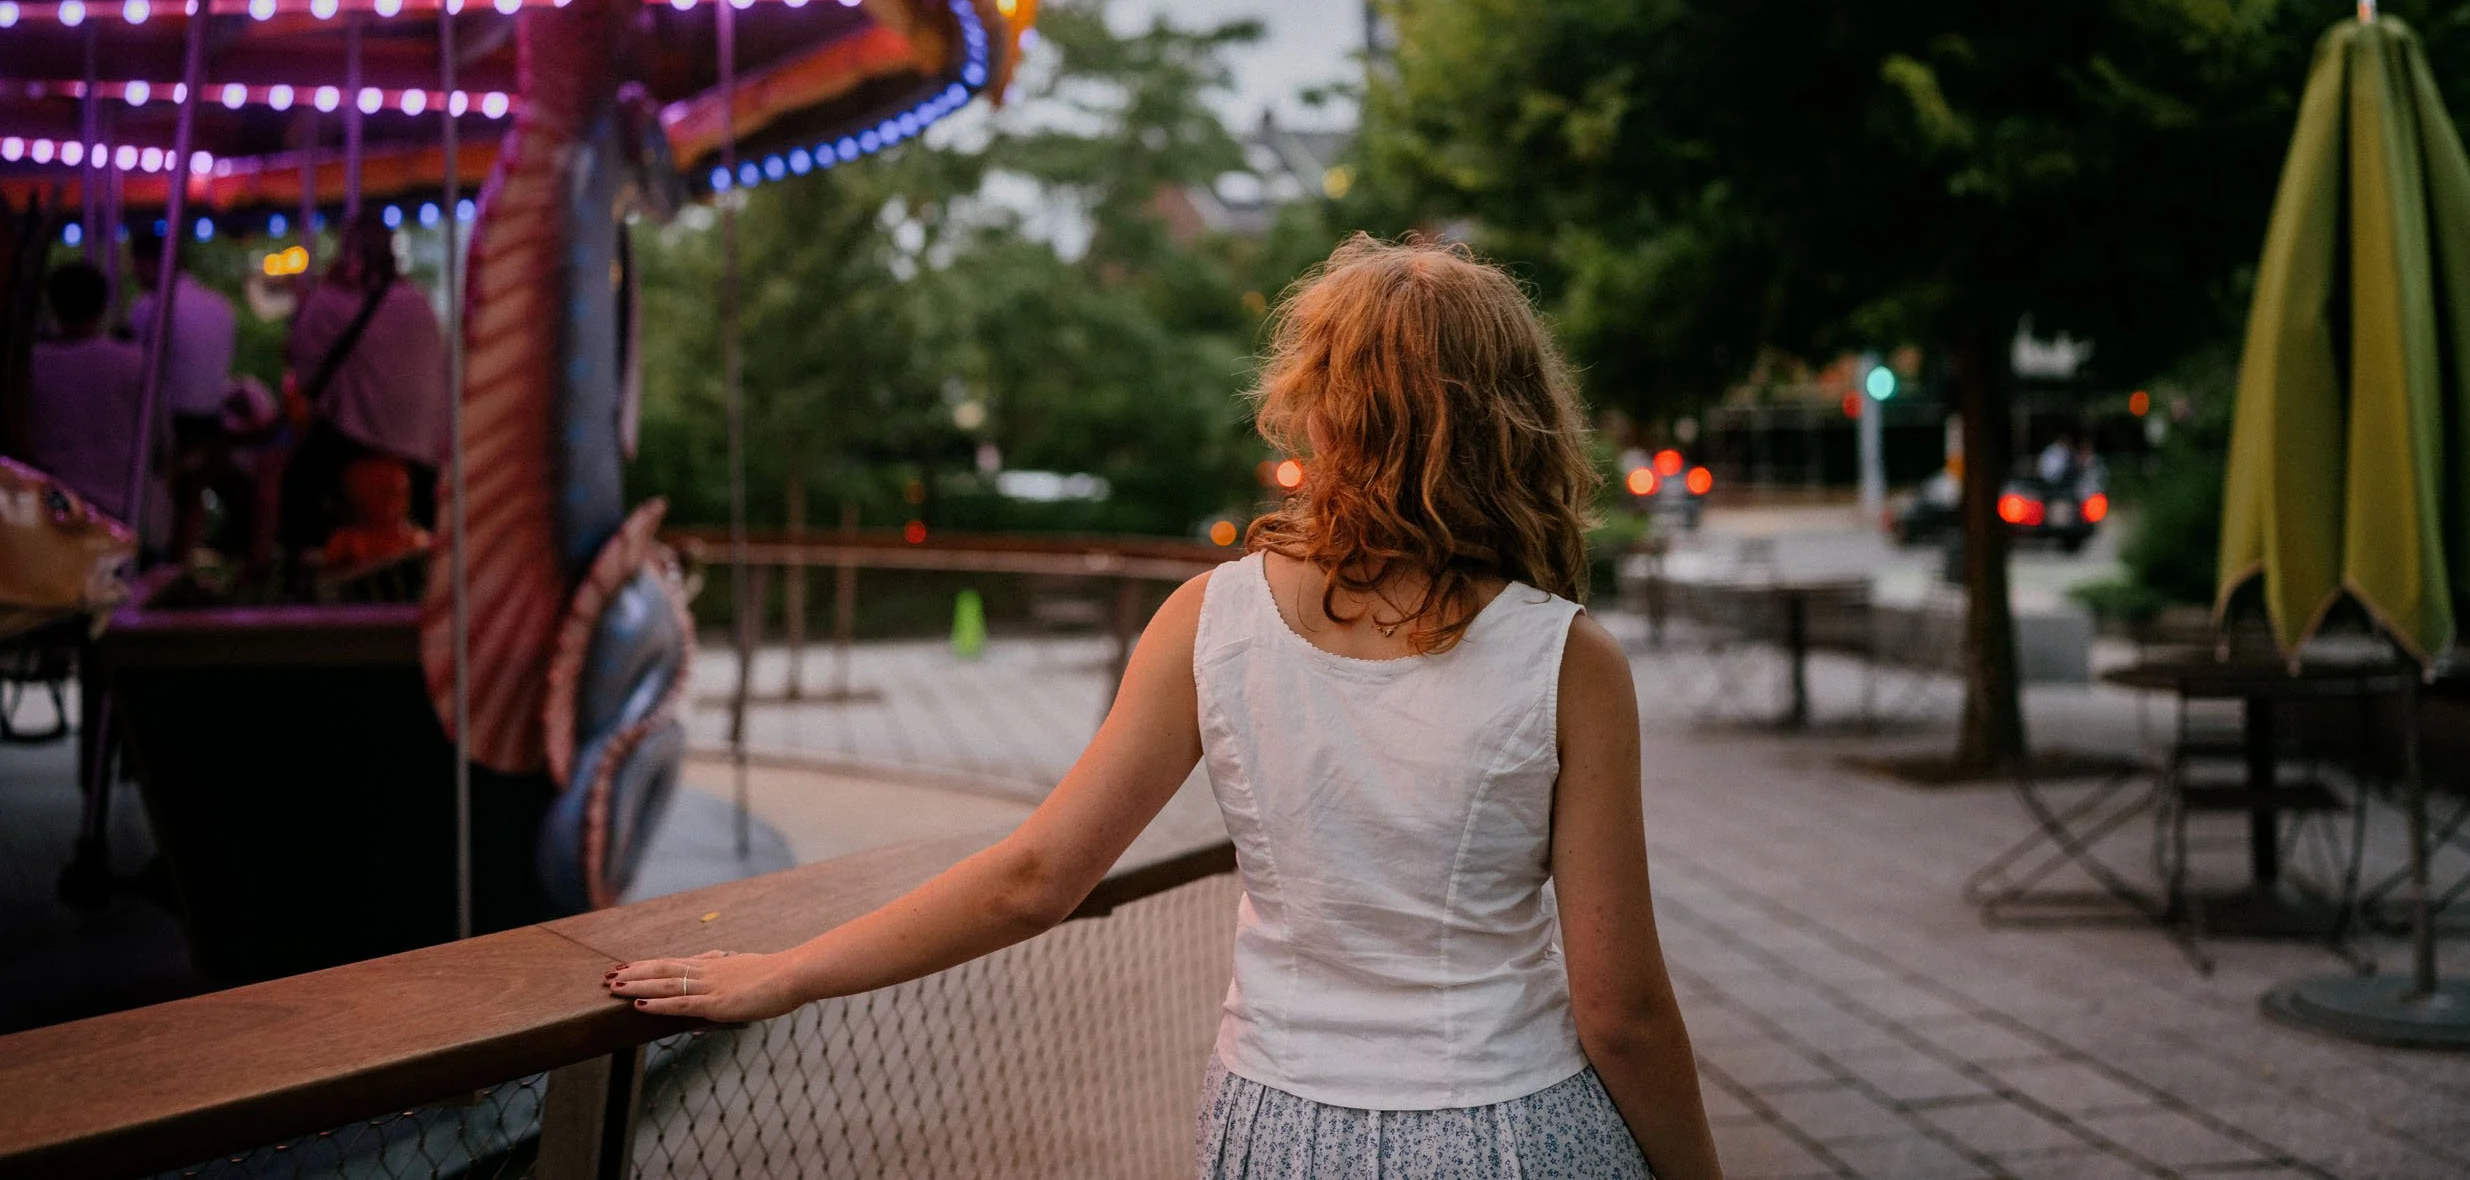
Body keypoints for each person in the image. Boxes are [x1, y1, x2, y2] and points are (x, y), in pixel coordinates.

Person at [606, 236, 1723, 1179]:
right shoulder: (1568, 662)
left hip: (1282, 1125)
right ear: (1516, 420)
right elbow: (1618, 1003)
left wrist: (785, 970)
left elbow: (1034, 876)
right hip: (1515, 1121)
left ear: (1320, 410)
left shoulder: (1211, 620)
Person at [280, 207, 447, 553]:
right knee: (436, 502)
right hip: (419, 438)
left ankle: (298, 562)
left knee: (297, 483)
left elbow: (301, 355)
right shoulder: (419, 304)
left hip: (360, 432)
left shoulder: (332, 300)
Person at [128, 229, 237, 554]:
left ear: (149, 264)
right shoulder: (221, 305)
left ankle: (159, 564)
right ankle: (183, 566)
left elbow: (138, 372)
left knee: (165, 495)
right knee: (191, 499)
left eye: (135, 265)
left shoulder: (149, 307)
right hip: (212, 426)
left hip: (170, 427)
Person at [24, 262, 149, 525]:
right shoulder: (134, 363)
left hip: (54, 506)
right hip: (123, 503)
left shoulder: (32, 366)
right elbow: (157, 438)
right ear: (103, 305)